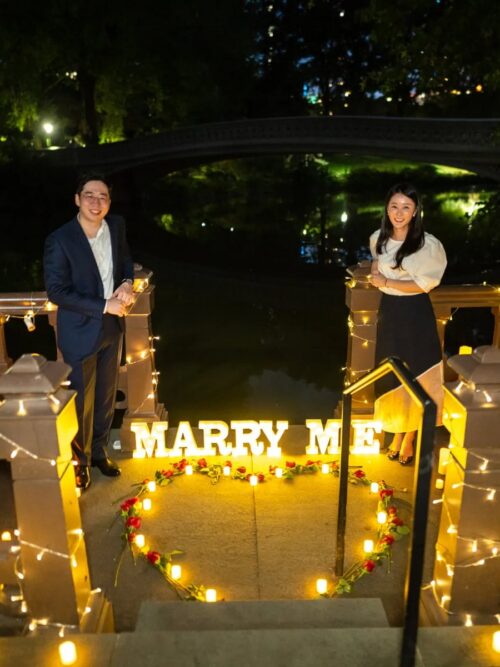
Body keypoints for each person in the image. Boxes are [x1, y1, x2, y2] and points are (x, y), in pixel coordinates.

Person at [44, 173, 135, 490]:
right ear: (77, 199)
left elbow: (125, 260)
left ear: (109, 202)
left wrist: (127, 282)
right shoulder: (60, 240)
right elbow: (56, 291)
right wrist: (102, 305)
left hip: (112, 330)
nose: (97, 202)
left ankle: (99, 453)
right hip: (80, 333)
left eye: (103, 197)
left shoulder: (117, 226)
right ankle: (79, 461)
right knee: (81, 402)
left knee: (106, 398)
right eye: (90, 195)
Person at [368, 182, 447, 465]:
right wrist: (377, 269)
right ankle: (398, 430)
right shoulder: (378, 237)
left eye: (406, 207)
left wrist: (388, 281)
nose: (399, 213)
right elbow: (378, 261)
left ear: (415, 212)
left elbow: (424, 284)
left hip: (415, 314)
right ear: (387, 209)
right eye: (394, 206)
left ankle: (410, 437)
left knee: (417, 372)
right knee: (392, 371)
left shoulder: (428, 245)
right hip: (389, 313)